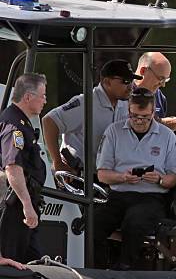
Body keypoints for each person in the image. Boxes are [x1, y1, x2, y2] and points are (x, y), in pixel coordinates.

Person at [94, 87, 176, 270]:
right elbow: (102, 174)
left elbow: (173, 179)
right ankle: (97, 268)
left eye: (144, 117)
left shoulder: (167, 136)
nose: (139, 121)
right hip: (118, 194)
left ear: (153, 113)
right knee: (93, 222)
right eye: (135, 116)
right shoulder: (114, 132)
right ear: (128, 111)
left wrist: (159, 179)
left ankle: (126, 268)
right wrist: (122, 177)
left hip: (152, 196)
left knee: (135, 222)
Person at [42, 59, 140, 175]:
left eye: (132, 81)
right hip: (79, 179)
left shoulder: (125, 103)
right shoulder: (85, 103)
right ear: (107, 82)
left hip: (110, 177)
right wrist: (57, 162)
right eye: (126, 81)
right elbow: (49, 121)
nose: (130, 86)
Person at [0, 73, 47, 263]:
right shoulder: (15, 127)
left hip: (24, 205)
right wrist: (27, 206)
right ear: (28, 97)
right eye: (42, 95)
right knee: (13, 262)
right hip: (15, 208)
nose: (45, 100)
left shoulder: (22, 122)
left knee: (32, 261)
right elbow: (13, 168)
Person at [133, 52, 176, 136]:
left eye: (166, 80)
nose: (163, 85)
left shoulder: (160, 97)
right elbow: (126, 126)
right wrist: (165, 124)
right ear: (143, 71)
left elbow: (159, 135)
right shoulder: (123, 93)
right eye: (160, 79)